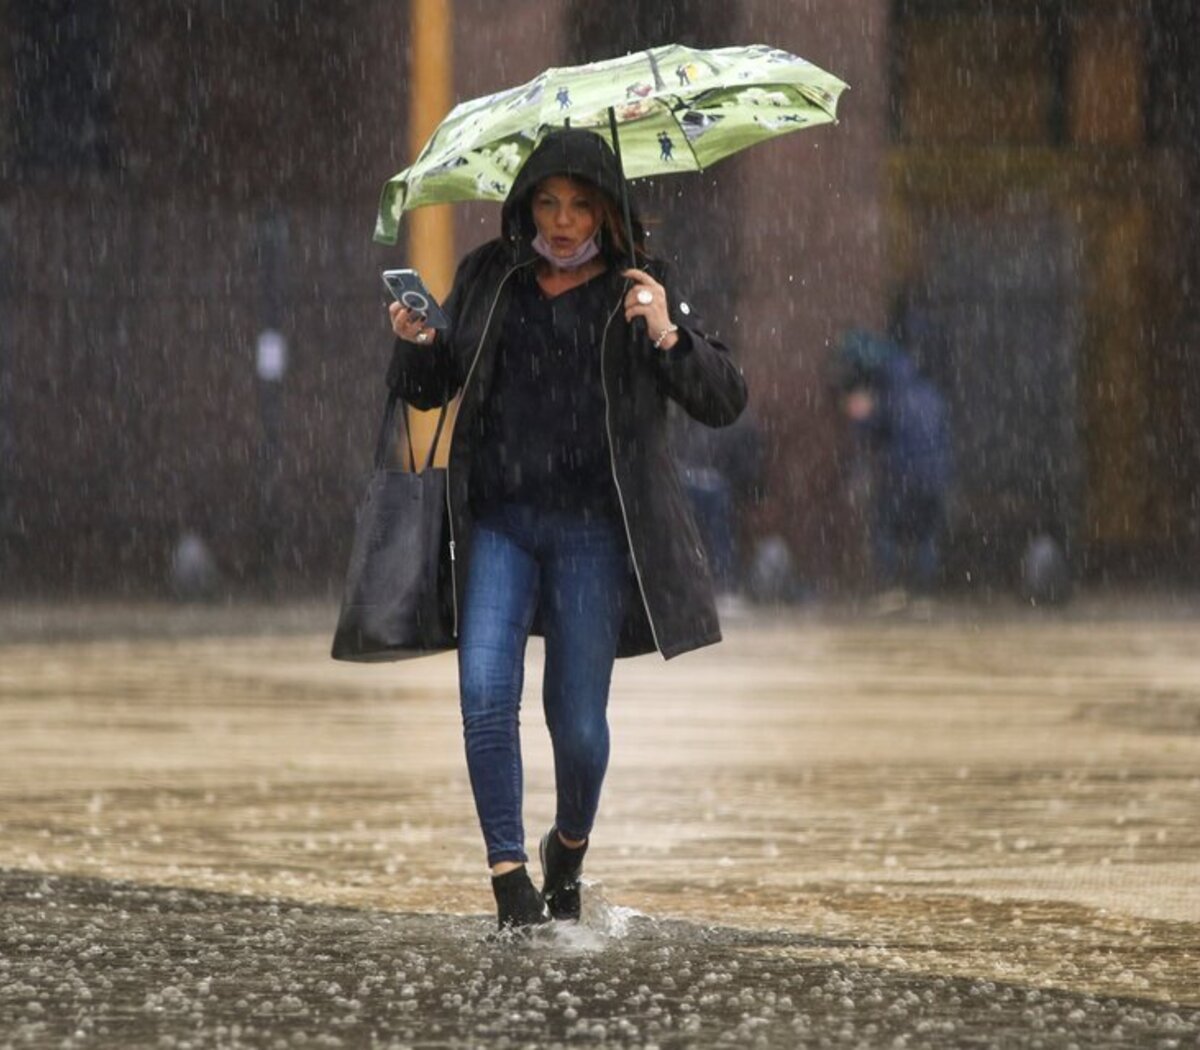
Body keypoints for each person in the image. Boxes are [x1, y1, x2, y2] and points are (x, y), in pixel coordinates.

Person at [385, 129, 748, 931]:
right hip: (501, 527)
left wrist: (665, 331)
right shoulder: (491, 276)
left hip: (592, 535)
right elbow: (430, 389)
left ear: (608, 214)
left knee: (579, 728)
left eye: (581, 205)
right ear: (524, 207)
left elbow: (724, 398)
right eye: (547, 203)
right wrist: (414, 347)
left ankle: (569, 846)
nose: (562, 221)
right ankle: (509, 879)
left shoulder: (642, 286)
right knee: (484, 697)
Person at [833, 329, 951, 608]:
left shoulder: (891, 396)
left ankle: (892, 589)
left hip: (903, 474)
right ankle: (924, 594)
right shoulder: (930, 394)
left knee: (886, 530)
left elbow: (871, 428)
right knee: (926, 535)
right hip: (936, 475)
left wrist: (858, 413)